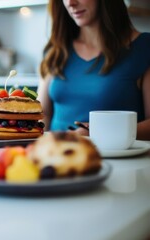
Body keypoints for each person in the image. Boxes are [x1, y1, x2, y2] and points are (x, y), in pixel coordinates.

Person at [38, 0, 150, 140]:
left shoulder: (144, 47)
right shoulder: (56, 51)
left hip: (114, 159)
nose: (70, 3)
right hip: (56, 156)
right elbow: (43, 115)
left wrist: (100, 133)